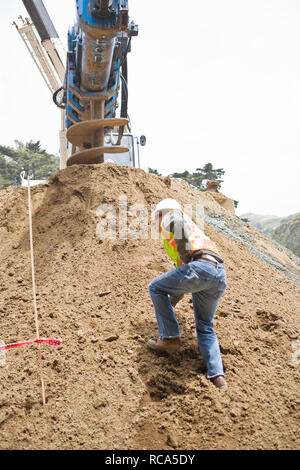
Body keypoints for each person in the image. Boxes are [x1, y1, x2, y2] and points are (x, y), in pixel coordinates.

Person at [148, 198, 228, 390]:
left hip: (200, 268)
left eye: (155, 219)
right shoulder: (194, 233)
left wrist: (185, 257)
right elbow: (180, 286)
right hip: (217, 274)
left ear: (160, 214)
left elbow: (176, 223)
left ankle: (169, 338)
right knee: (205, 327)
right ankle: (218, 376)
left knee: (155, 287)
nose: (156, 225)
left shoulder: (172, 215)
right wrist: (167, 306)